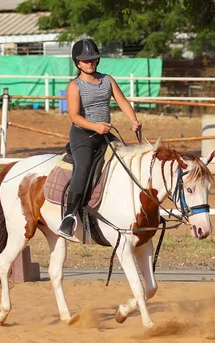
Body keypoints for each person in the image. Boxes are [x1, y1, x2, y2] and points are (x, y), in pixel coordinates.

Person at [57, 38, 142, 238]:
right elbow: (74, 116)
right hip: (83, 135)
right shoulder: (74, 86)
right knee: (84, 167)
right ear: (77, 62)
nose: (90, 63)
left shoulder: (107, 80)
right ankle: (68, 216)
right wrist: (95, 126)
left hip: (104, 134)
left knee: (126, 161)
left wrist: (133, 120)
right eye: (86, 60)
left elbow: (122, 101)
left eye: (93, 59)